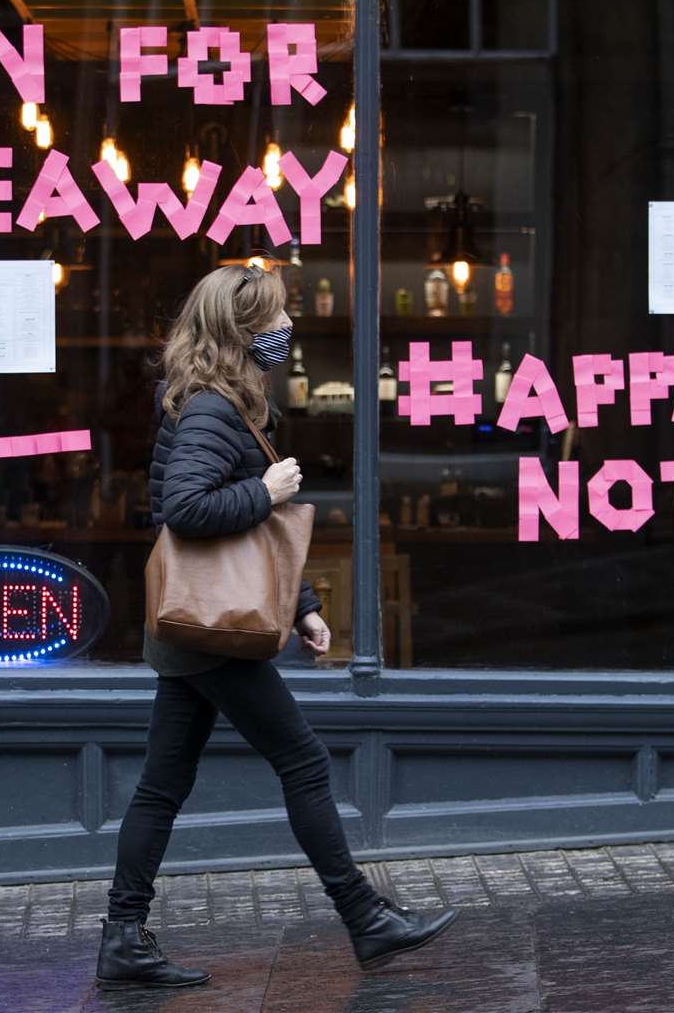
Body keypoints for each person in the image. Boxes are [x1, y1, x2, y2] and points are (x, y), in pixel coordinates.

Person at [95, 264, 460, 990]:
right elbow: (186, 510)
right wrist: (266, 489)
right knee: (303, 761)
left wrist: (303, 605)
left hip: (196, 626)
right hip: (210, 629)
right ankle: (365, 918)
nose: (284, 330)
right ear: (242, 331)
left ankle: (123, 938)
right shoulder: (209, 411)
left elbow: (244, 541)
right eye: (274, 320)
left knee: (163, 783)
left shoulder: (218, 402)